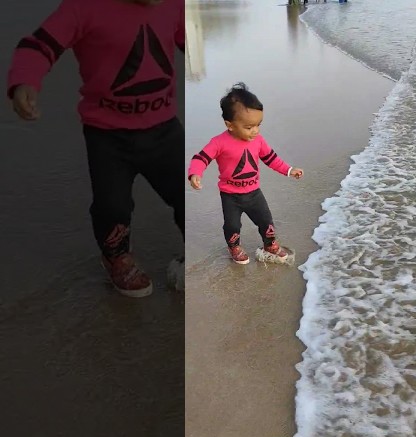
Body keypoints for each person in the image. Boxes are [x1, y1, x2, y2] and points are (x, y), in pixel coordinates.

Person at [7, 0, 185, 297]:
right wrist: (24, 81)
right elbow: (37, 45)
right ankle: (116, 255)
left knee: (186, 192)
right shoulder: (84, 6)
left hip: (164, 130)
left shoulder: (174, 5)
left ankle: (192, 246)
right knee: (112, 205)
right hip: (108, 135)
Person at [187, 83, 304, 265]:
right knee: (232, 226)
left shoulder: (258, 140)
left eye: (258, 125)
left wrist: (289, 170)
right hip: (230, 196)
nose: (255, 131)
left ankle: (270, 245)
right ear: (230, 125)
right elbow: (200, 158)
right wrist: (195, 173)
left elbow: (271, 159)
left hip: (254, 193)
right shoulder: (219, 142)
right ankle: (234, 247)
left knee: (266, 220)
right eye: (249, 127)